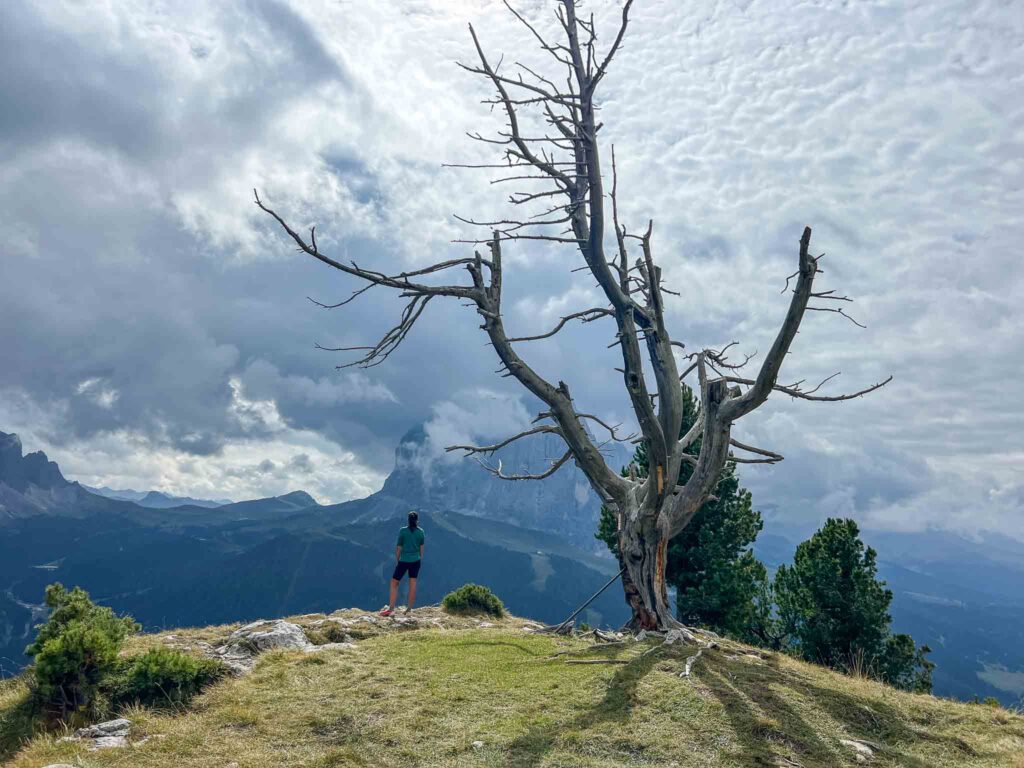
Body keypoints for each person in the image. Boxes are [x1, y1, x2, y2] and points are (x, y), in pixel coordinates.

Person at [380, 511, 424, 616]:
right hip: (416, 561)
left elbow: (399, 548)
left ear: (408, 520)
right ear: (417, 520)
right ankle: (409, 609)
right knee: (412, 584)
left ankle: (391, 608)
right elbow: (421, 548)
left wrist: (398, 560)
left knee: (394, 582)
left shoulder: (403, 531)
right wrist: (419, 559)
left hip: (404, 560)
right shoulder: (421, 532)